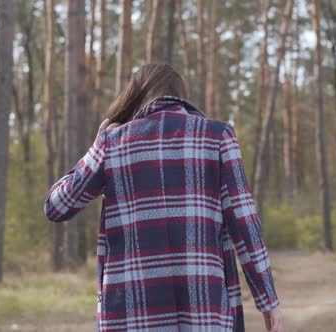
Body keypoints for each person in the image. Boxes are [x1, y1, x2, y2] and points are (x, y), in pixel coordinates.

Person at [44, 63, 282, 332]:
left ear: (135, 95)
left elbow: (56, 205)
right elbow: (245, 225)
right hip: (205, 312)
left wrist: (97, 146)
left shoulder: (112, 143)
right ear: (182, 95)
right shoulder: (218, 137)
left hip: (131, 315)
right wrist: (267, 300)